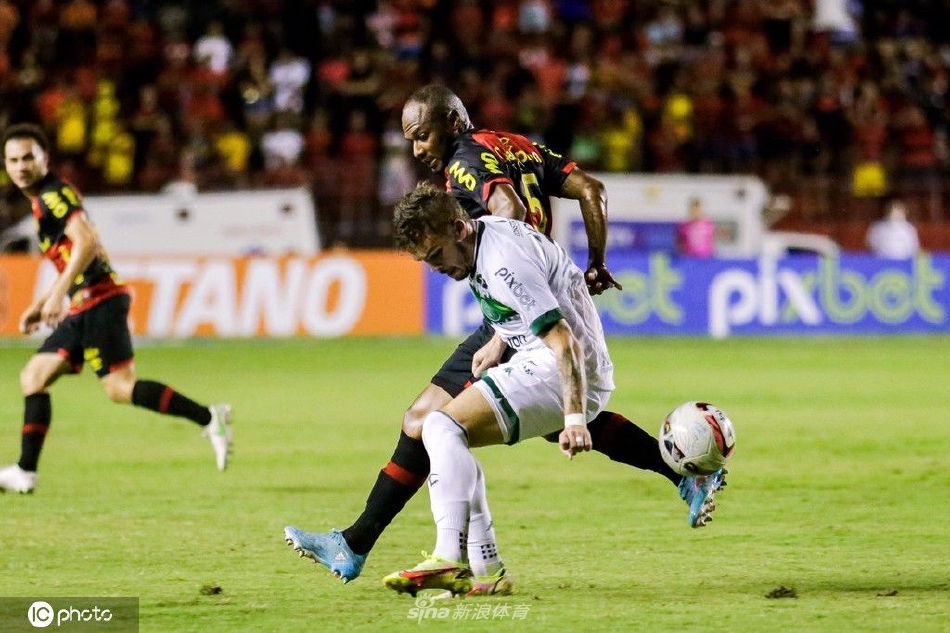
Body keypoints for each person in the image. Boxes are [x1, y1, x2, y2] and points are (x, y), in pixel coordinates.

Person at [284, 85, 724, 591]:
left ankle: (398, 549)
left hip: (516, 296)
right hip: (522, 294)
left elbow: (506, 211)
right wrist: (593, 262)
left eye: (422, 135)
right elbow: (591, 189)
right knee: (494, 421)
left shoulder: (465, 166)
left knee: (433, 424)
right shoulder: (515, 145)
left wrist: (507, 300)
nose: (418, 150)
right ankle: (675, 477)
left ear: (452, 122)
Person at [379, 184, 725, 596]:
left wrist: (574, 420)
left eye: (437, 254)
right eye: (426, 260)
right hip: (543, 359)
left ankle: (451, 557)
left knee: (440, 427)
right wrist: (500, 339)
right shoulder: (486, 236)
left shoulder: (502, 262)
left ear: (458, 228)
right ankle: (486, 571)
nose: (435, 267)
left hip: (560, 368)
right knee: (449, 437)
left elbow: (565, 342)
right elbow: (533, 298)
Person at [0, 123, 233, 494]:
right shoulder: (43, 198)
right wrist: (43, 302)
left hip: (98, 300)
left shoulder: (52, 194)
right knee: (35, 377)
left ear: (45, 158)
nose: (21, 166)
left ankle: (209, 417)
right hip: (88, 301)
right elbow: (71, 256)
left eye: (28, 157)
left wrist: (56, 295)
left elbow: (86, 243)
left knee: (119, 387)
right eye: (13, 160)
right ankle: (25, 471)